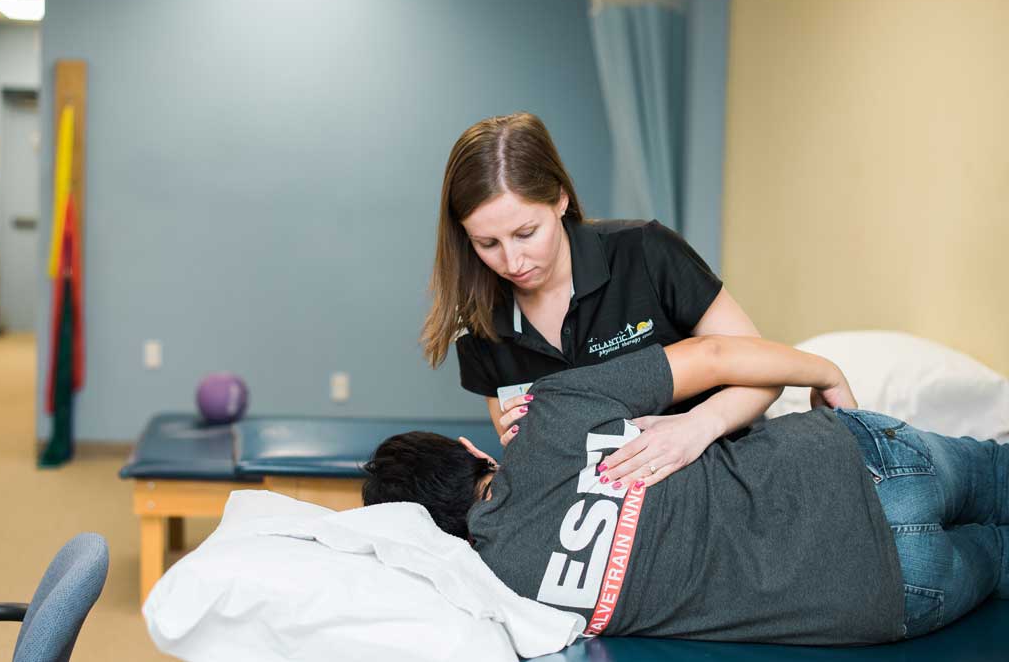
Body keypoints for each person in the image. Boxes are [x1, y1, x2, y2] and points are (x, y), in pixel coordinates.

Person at [364, 336, 1009, 645]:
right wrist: (827, 371)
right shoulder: (553, 414)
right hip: (853, 467)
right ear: (475, 451)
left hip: (888, 597)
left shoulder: (511, 600)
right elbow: (716, 356)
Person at [421, 112, 777, 490]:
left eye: (526, 233)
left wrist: (700, 425)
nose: (512, 262)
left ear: (561, 199)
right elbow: (527, 449)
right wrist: (521, 443)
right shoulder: (477, 320)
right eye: (487, 243)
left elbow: (766, 370)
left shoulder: (646, 252)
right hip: (611, 515)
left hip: (725, 476)